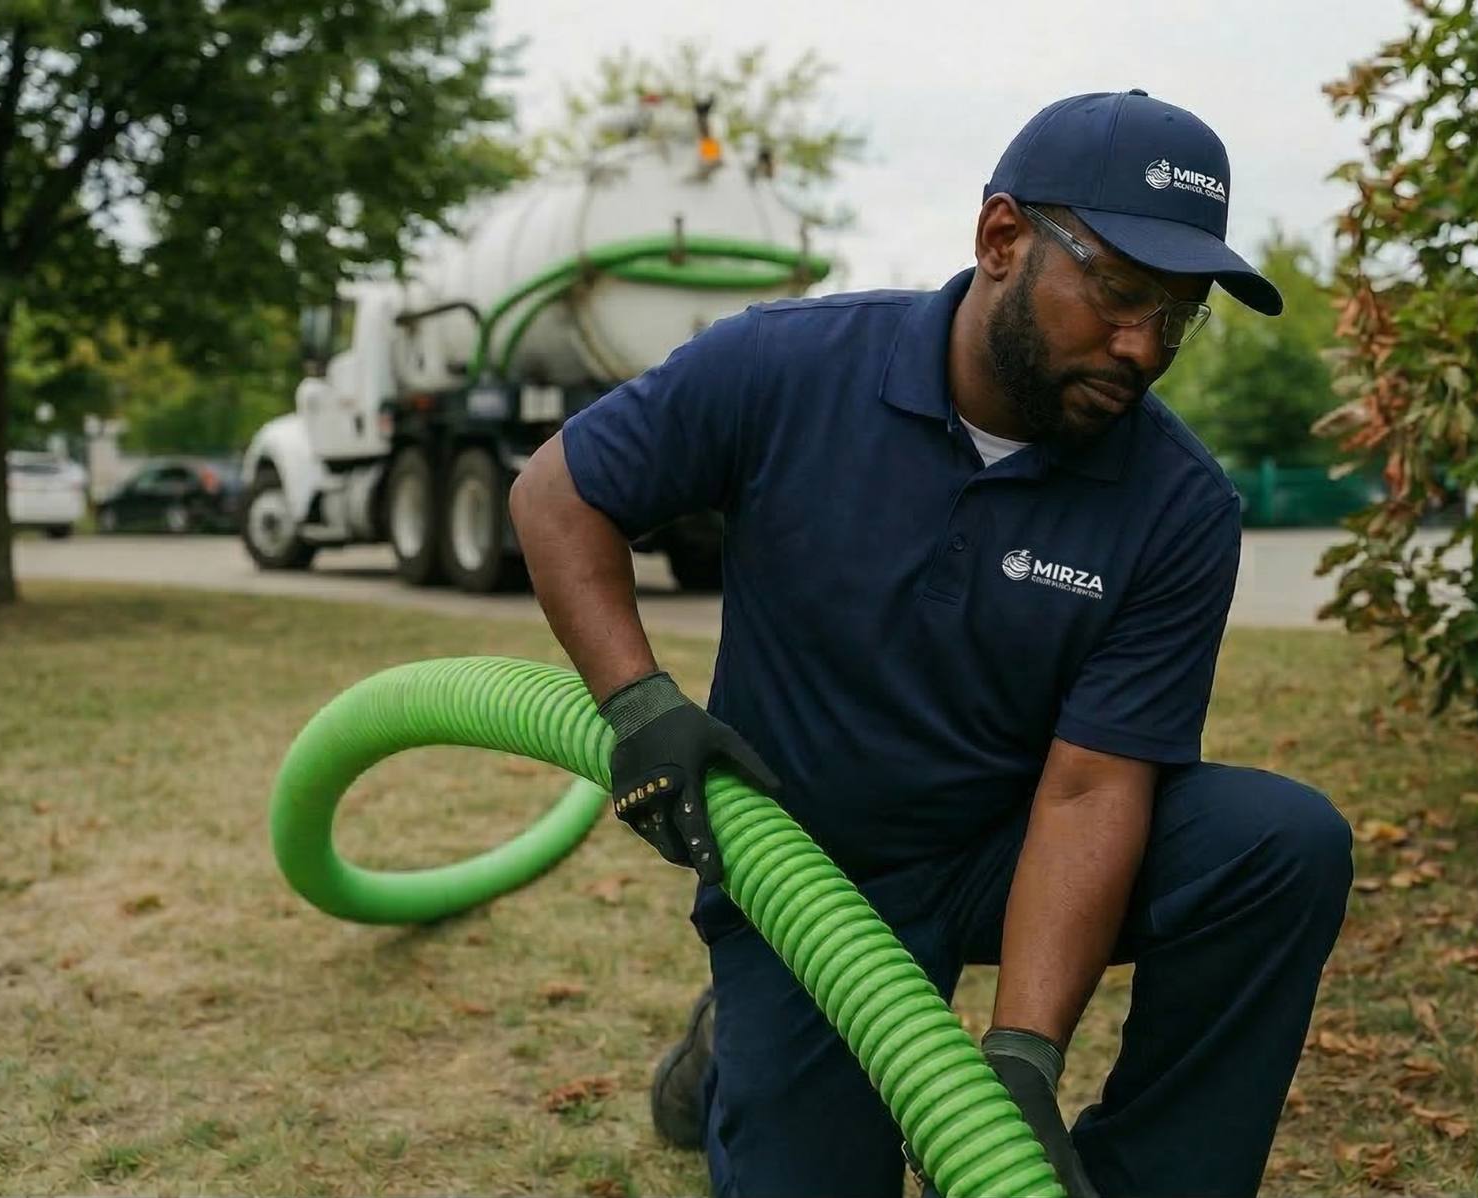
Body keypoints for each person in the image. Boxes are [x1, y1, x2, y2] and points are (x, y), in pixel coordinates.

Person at [510, 89, 1353, 1198]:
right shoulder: (785, 369)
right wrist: (638, 706)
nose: (1145, 344)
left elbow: (1093, 787)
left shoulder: (1177, 501)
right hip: (805, 868)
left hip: (1008, 854)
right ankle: (737, 1044)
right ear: (1003, 238)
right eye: (1119, 292)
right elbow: (558, 494)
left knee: (1280, 844)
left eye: (1180, 313)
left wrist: (1020, 1058)